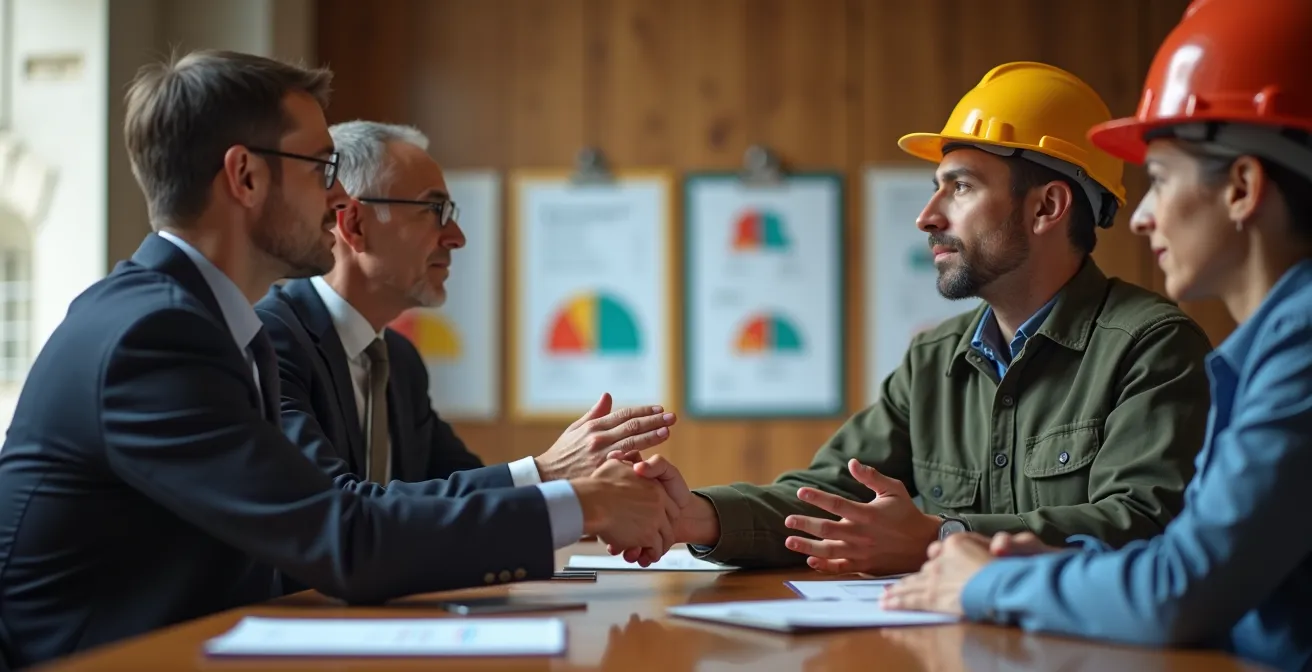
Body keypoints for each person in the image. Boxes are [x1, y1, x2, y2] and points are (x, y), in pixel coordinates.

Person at [0, 50, 675, 668]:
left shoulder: (214, 325)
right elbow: (342, 536)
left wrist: (576, 497)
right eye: (322, 167)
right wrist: (580, 504)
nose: (336, 196)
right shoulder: (153, 336)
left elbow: (328, 526)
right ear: (245, 176)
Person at [618, 62, 1216, 576]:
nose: (927, 217)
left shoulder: (1152, 346)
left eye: (959, 188)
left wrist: (941, 537)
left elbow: (1143, 523)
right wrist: (695, 515)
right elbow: (831, 495)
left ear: (1047, 207)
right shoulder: (934, 359)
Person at [882, 2, 1312, 670]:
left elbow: (1180, 589)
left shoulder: (1298, 345)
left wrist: (987, 579)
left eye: (1161, 180)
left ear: (1242, 187)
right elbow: (1184, 562)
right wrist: (1054, 561)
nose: (1139, 218)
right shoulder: (1270, 345)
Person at [256, 120, 676, 494]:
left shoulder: (399, 362)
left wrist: (590, 491)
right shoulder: (272, 342)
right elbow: (334, 510)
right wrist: (547, 472)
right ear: (355, 225)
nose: (457, 237)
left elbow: (467, 502)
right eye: (434, 210)